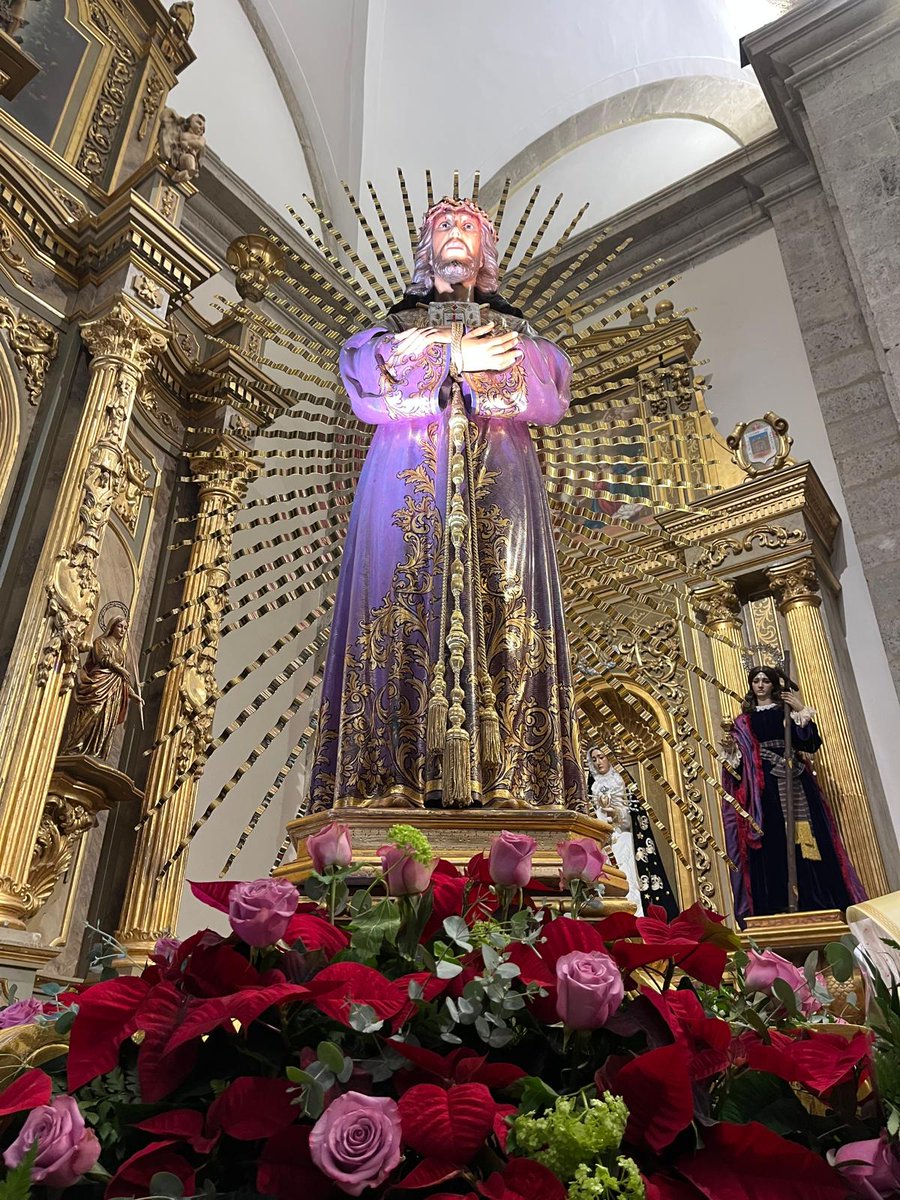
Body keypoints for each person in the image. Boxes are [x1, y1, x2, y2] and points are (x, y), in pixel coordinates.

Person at [309, 197, 585, 812]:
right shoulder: (394, 328)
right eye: (444, 226)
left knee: (509, 607)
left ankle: (518, 784)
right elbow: (362, 379)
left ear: (486, 252)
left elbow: (550, 388)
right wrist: (456, 359)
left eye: (467, 226)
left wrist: (462, 370)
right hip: (406, 478)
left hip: (501, 486)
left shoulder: (517, 331)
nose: (455, 234)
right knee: (396, 604)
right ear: (424, 249)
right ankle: (387, 784)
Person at [720, 665, 865, 920]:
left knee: (807, 839)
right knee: (771, 842)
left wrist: (799, 709)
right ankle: (775, 906)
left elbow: (809, 743)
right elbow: (737, 766)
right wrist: (732, 748)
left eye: (766, 680)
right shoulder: (743, 721)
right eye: (756, 681)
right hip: (763, 791)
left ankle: (818, 901)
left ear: (775, 685)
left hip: (794, 781)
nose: (761, 685)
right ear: (751, 685)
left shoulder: (785, 711)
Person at [586, 746, 678, 917]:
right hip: (604, 844)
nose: (598, 762)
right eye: (595, 759)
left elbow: (634, 818)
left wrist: (617, 814)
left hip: (624, 840)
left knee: (630, 879)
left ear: (610, 757)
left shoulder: (622, 781)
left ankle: (636, 917)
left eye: (601, 757)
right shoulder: (592, 786)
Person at [61, 617, 142, 760]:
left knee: (106, 720)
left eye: (125, 627)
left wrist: (132, 694)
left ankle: (95, 751)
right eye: (119, 626)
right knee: (93, 711)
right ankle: (74, 746)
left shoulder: (120, 652)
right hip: (99, 684)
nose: (123, 630)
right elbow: (102, 658)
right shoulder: (101, 642)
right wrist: (119, 669)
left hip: (114, 690)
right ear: (112, 627)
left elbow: (123, 680)